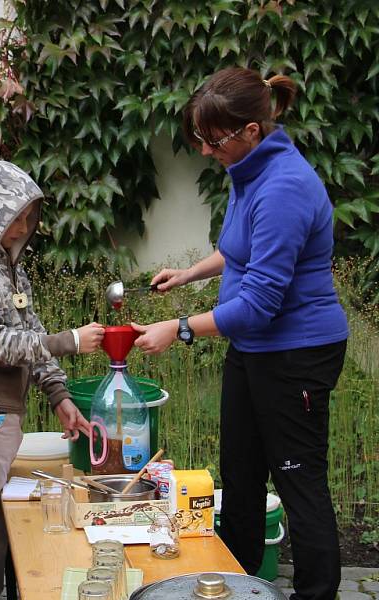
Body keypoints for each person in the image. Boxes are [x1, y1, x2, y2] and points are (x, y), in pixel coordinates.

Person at [132, 67, 349, 600]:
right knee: (242, 477)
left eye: (214, 140)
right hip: (252, 352)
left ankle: (315, 594)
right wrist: (190, 274)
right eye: (201, 139)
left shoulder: (286, 188)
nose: (206, 151)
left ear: (251, 130)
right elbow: (239, 249)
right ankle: (239, 586)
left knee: (299, 482)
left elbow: (258, 305)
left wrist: (179, 328)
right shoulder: (248, 172)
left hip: (297, 353)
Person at [0, 160, 106, 600]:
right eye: (13, 217)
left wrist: (59, 395)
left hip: (3, 410)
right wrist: (70, 341)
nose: (22, 227)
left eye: (28, 217)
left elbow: (29, 328)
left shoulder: (6, 265)